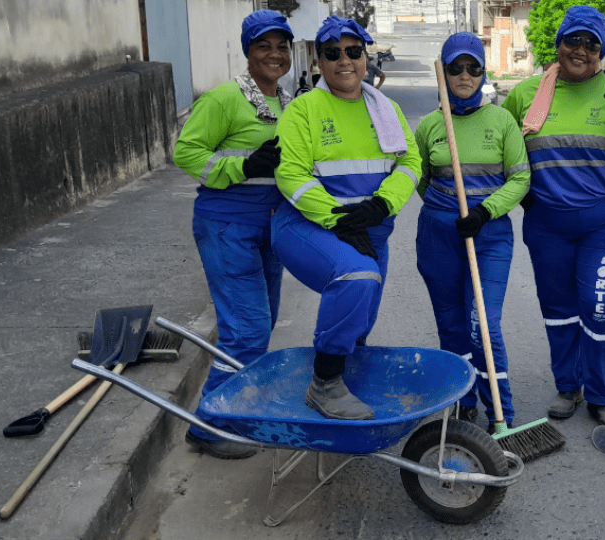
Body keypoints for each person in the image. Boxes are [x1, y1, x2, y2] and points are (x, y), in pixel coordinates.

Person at [501, 5, 605, 426]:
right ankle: (568, 386)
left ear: (601, 52)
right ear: (558, 44)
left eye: (592, 44)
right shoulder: (527, 94)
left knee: (598, 306)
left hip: (603, 221)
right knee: (558, 309)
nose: (582, 49)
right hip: (546, 224)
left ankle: (601, 393)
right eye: (574, 39)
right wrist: (524, 201)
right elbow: (506, 156)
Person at [271, 15, 420, 420]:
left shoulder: (384, 108)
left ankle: (344, 380)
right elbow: (291, 175)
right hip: (306, 224)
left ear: (365, 56)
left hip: (370, 228)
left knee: (361, 316)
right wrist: (339, 219)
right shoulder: (305, 109)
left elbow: (410, 161)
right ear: (319, 60)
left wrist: (382, 205)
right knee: (357, 278)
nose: (344, 61)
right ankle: (324, 385)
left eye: (353, 52)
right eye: (332, 53)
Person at [172, 10, 294, 458]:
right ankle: (210, 425)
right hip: (227, 224)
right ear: (248, 51)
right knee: (248, 329)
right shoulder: (225, 98)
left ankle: (241, 411)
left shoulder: (287, 101)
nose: (275, 54)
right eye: (264, 45)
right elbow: (185, 152)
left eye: (282, 46)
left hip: (272, 227)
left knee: (258, 327)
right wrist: (243, 165)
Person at [414, 33, 530, 433]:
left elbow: (520, 179)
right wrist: (445, 210)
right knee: (451, 325)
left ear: (483, 71)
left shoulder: (502, 121)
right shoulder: (430, 125)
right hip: (438, 237)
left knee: (484, 325)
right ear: (443, 72)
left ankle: (503, 414)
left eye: (473, 67)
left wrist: (484, 212)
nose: (464, 75)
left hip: (489, 236)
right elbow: (420, 179)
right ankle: (463, 403)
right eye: (455, 68)